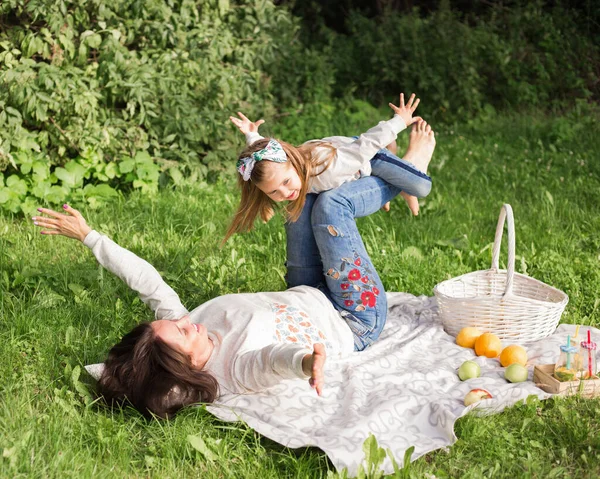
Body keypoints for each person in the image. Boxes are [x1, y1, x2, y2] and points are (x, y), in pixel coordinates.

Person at [30, 172, 407, 418]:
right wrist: (308, 363)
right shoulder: (233, 370)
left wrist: (89, 236)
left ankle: (384, 172)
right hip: (352, 315)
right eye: (181, 333)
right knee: (330, 205)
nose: (186, 323)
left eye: (176, 323)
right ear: (185, 365)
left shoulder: (189, 325)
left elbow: (147, 281)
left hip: (307, 288)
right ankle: (403, 176)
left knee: (302, 199)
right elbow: (272, 361)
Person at [223, 93, 436, 243]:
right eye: (274, 192)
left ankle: (410, 160)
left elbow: (366, 144)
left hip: (368, 158)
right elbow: (264, 157)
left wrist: (399, 121)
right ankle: (399, 165)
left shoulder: (328, 170)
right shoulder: (278, 166)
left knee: (421, 186)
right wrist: (252, 135)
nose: (286, 193)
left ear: (292, 161)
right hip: (350, 164)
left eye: (286, 183)